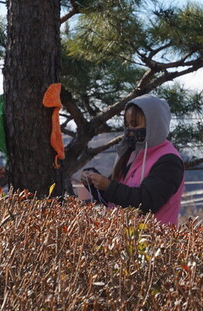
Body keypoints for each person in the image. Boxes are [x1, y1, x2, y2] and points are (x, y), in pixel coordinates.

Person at [79, 94, 185, 225]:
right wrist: (94, 181)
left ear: (154, 124)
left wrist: (107, 186)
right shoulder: (132, 153)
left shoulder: (169, 160)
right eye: (127, 125)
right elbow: (117, 197)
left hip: (152, 242)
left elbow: (146, 202)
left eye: (135, 124)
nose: (129, 130)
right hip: (125, 239)